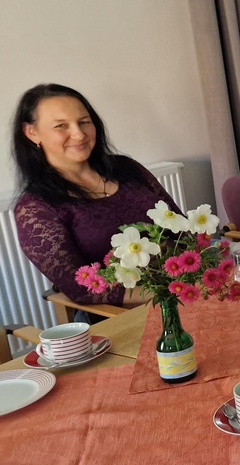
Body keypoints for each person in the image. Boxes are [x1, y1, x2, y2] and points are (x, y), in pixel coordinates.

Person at [12, 84, 175, 319]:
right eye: (61, 126)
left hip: (183, 292)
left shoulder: (127, 168)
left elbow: (180, 226)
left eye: (84, 122)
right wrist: (166, 292)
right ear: (32, 132)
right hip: (119, 317)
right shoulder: (35, 208)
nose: (79, 134)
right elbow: (80, 288)